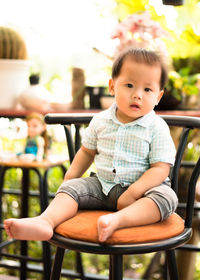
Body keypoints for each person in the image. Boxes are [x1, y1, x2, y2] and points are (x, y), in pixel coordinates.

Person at [4, 48, 178, 243]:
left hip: (141, 193)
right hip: (101, 187)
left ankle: (117, 220)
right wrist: (69, 179)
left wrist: (133, 192)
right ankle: (45, 221)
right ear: (112, 87)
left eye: (147, 89)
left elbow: (160, 169)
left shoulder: (156, 127)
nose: (137, 95)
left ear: (158, 97)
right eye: (129, 85)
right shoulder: (101, 121)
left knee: (166, 198)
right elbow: (86, 152)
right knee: (71, 190)